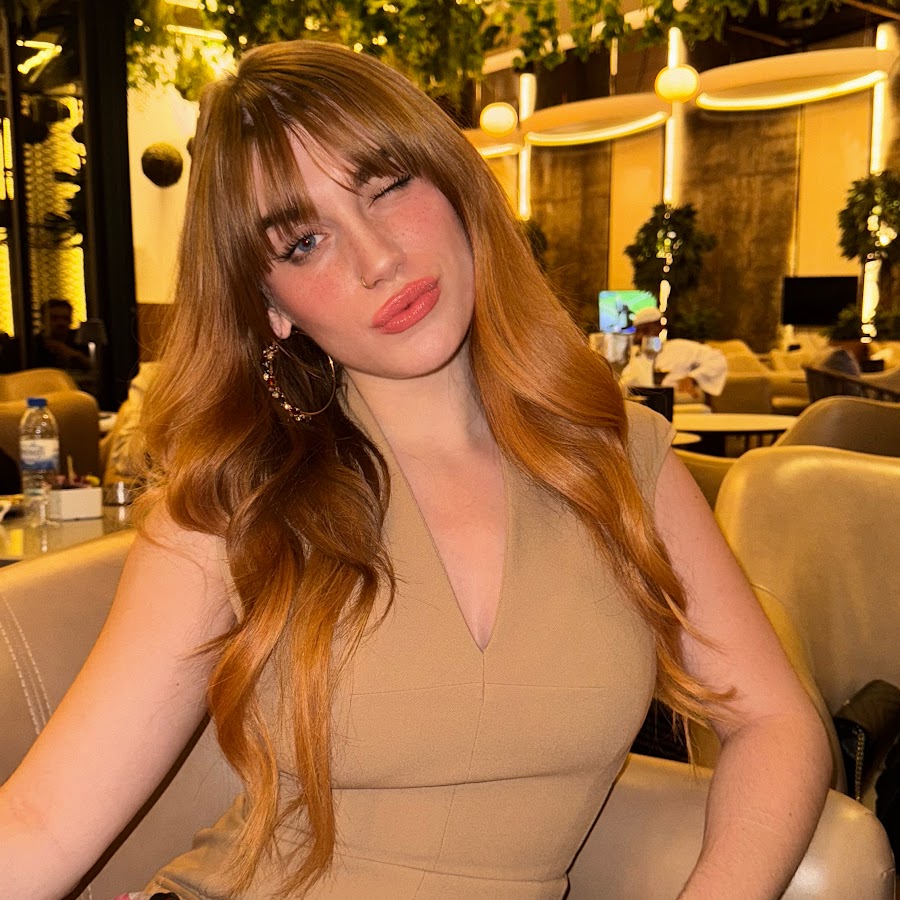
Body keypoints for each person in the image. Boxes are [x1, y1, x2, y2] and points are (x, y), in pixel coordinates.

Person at [0, 40, 830, 899]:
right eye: (305, 241)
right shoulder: (235, 501)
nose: (378, 260)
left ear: (454, 183)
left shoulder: (618, 456)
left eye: (387, 187)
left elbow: (774, 719)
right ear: (271, 304)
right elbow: (44, 820)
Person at [621, 306, 727, 401]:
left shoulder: (681, 347)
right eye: (637, 332)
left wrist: (693, 378)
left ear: (660, 327)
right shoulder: (639, 357)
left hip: (678, 400)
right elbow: (626, 383)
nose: (640, 336)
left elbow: (717, 360)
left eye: (645, 330)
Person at [35, 298, 91, 371]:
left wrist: (74, 354)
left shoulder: (80, 340)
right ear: (43, 320)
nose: (61, 323)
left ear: (70, 320)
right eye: (54, 318)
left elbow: (94, 367)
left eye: (65, 318)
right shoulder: (34, 344)